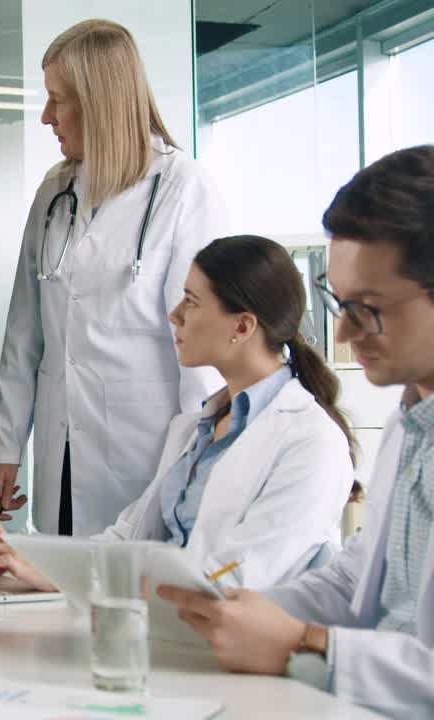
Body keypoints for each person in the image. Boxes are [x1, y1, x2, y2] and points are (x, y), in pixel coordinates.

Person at [158, 145, 434, 719]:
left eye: (371, 307)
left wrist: (308, 646)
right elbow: (356, 580)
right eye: (340, 300)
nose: (345, 329)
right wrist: (235, 615)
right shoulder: (411, 425)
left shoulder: (317, 435)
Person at [0, 236, 356, 592]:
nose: (174, 314)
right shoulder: (195, 428)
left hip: (229, 655)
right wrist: (29, 556)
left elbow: (234, 580)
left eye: (191, 303)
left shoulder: (312, 442)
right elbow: (124, 540)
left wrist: (85, 581)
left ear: (243, 326)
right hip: (161, 630)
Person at [0, 19, 227, 535]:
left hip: (146, 452)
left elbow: (202, 348)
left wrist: (200, 466)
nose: (47, 117)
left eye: (58, 100)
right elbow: (24, 334)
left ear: (98, 103)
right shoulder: (55, 191)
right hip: (61, 448)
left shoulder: (182, 189)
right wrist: (7, 447)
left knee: (130, 593)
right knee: (59, 591)